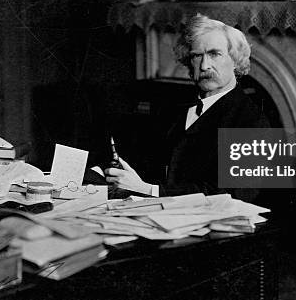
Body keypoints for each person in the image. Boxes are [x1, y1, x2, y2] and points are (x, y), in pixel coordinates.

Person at [105, 14, 267, 196]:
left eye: (215, 54)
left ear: (235, 61)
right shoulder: (176, 105)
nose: (205, 66)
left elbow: (231, 194)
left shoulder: (251, 120)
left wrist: (148, 190)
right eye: (197, 56)